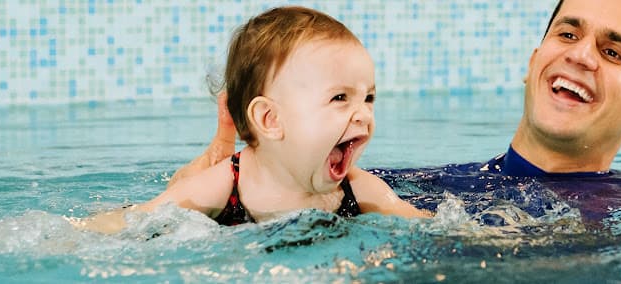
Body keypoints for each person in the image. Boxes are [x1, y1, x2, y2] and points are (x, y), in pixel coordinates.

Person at [168, 0, 621, 224]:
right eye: (567, 34)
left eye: (613, 51)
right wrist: (246, 181)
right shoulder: (405, 186)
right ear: (533, 64)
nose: (581, 56)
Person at [73, 6, 429, 234]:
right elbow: (130, 221)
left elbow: (430, 227)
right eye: (340, 98)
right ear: (270, 119)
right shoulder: (221, 188)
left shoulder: (360, 190)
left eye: (369, 98)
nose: (363, 113)